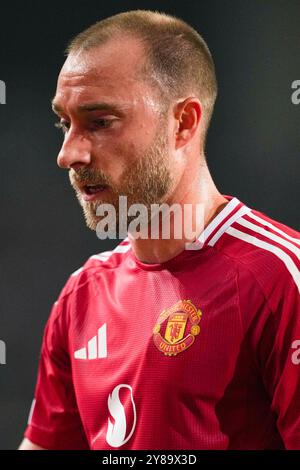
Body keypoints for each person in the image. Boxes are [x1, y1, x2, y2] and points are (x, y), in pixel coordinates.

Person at [19, 10, 300, 450]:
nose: (68, 153)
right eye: (65, 124)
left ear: (183, 123)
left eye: (100, 122)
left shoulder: (280, 278)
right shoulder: (81, 296)